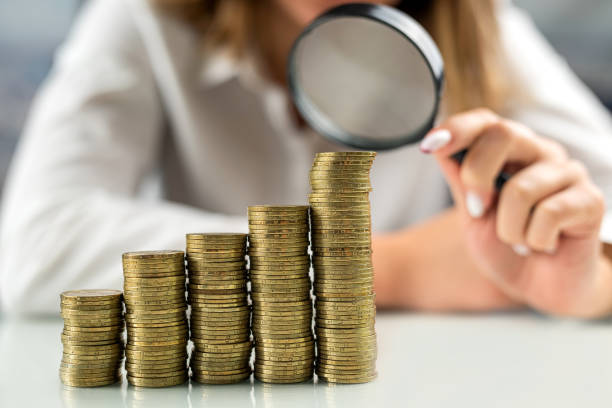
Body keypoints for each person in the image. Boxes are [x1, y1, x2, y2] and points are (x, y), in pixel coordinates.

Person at [1, 0, 611, 316]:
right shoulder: (144, 16)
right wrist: (390, 268)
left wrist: (584, 286)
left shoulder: (477, 26)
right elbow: (32, 247)